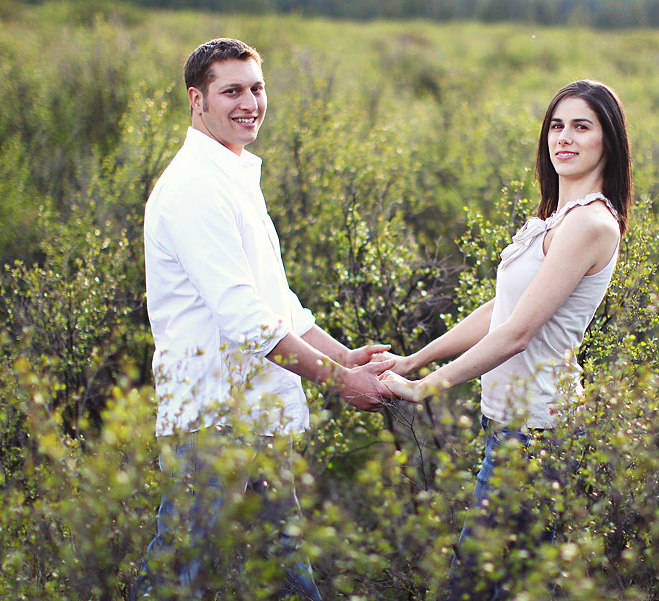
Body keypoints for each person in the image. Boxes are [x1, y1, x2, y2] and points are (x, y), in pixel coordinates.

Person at [134, 38, 394, 600]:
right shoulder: (195, 189)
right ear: (196, 100)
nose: (249, 102)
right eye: (231, 91)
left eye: (256, 88)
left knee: (283, 564)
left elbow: (276, 304)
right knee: (180, 571)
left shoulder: (234, 177)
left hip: (257, 410)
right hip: (213, 417)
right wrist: (339, 380)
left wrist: (344, 356)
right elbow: (244, 320)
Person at [379, 80, 632, 598]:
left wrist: (428, 388)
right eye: (556, 126)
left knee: (474, 584)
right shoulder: (552, 219)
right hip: (513, 425)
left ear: (608, 140)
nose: (564, 138)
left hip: (538, 432)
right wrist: (414, 361)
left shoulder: (590, 223)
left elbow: (516, 335)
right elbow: (501, 311)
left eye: (581, 126)